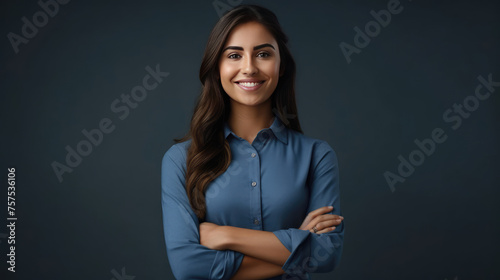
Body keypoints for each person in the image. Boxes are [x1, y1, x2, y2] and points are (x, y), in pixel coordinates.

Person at [161, 4, 344, 280]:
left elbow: (328, 253)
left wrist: (224, 235)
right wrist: (300, 244)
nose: (249, 67)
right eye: (234, 55)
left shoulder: (317, 155)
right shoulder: (180, 160)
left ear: (281, 66)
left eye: (263, 54)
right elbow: (188, 267)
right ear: (217, 66)